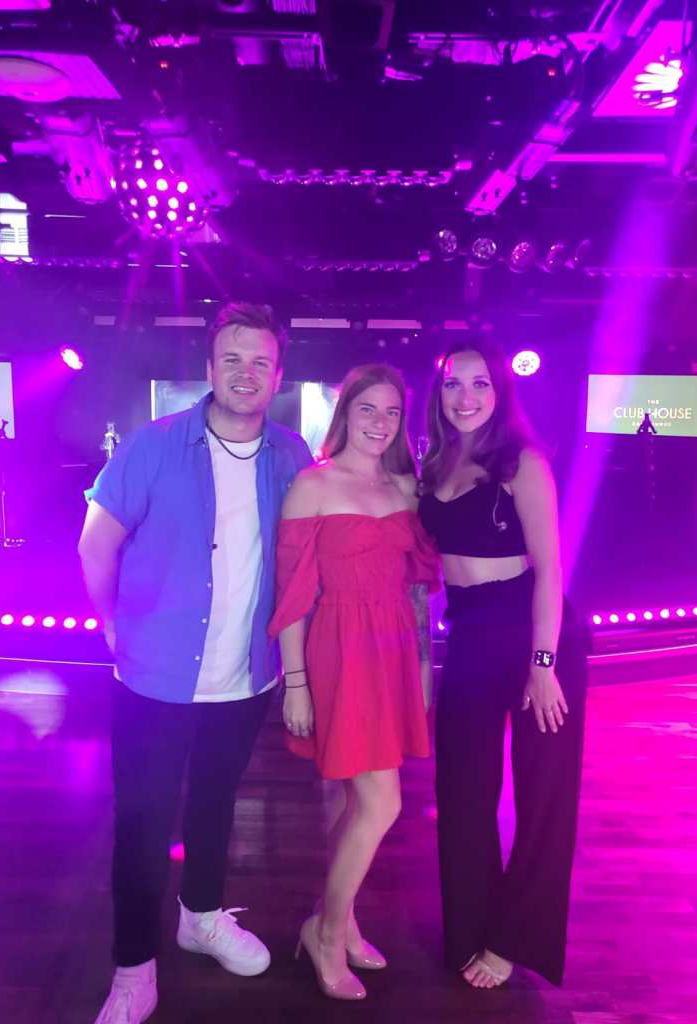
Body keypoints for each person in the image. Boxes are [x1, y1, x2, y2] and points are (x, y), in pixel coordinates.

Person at [78, 302, 312, 1024]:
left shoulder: (292, 455)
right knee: (143, 825)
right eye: (231, 359)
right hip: (152, 678)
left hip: (246, 678)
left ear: (278, 374)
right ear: (210, 368)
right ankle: (133, 968)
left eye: (260, 361)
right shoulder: (152, 447)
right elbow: (95, 544)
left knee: (216, 805)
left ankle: (201, 917)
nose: (246, 373)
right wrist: (112, 623)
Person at [418, 341, 588, 990]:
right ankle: (471, 928)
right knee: (462, 790)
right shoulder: (434, 463)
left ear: (500, 392)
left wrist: (543, 665)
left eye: (480, 383)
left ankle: (515, 938)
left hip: (534, 632)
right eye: (453, 384)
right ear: (438, 394)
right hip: (469, 633)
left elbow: (550, 570)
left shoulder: (522, 461)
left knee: (543, 795)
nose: (465, 397)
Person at [268, 364, 438, 1001]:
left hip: (393, 651)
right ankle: (327, 933)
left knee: (350, 802)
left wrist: (422, 667)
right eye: (368, 409)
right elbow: (292, 596)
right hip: (339, 649)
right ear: (345, 413)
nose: (380, 422)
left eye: (392, 412)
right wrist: (296, 683)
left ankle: (342, 921)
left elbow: (417, 593)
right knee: (381, 803)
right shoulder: (312, 485)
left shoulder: (404, 487)